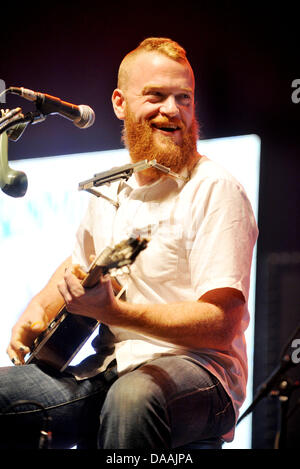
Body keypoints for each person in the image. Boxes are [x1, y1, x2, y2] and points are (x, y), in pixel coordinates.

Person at [0, 37, 258, 449]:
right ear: (120, 103)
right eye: (155, 96)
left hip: (204, 377)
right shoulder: (111, 190)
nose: (173, 111)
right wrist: (34, 313)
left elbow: (221, 322)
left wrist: (118, 313)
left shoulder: (216, 187)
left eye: (184, 98)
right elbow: (76, 268)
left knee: (133, 397)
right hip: (112, 369)